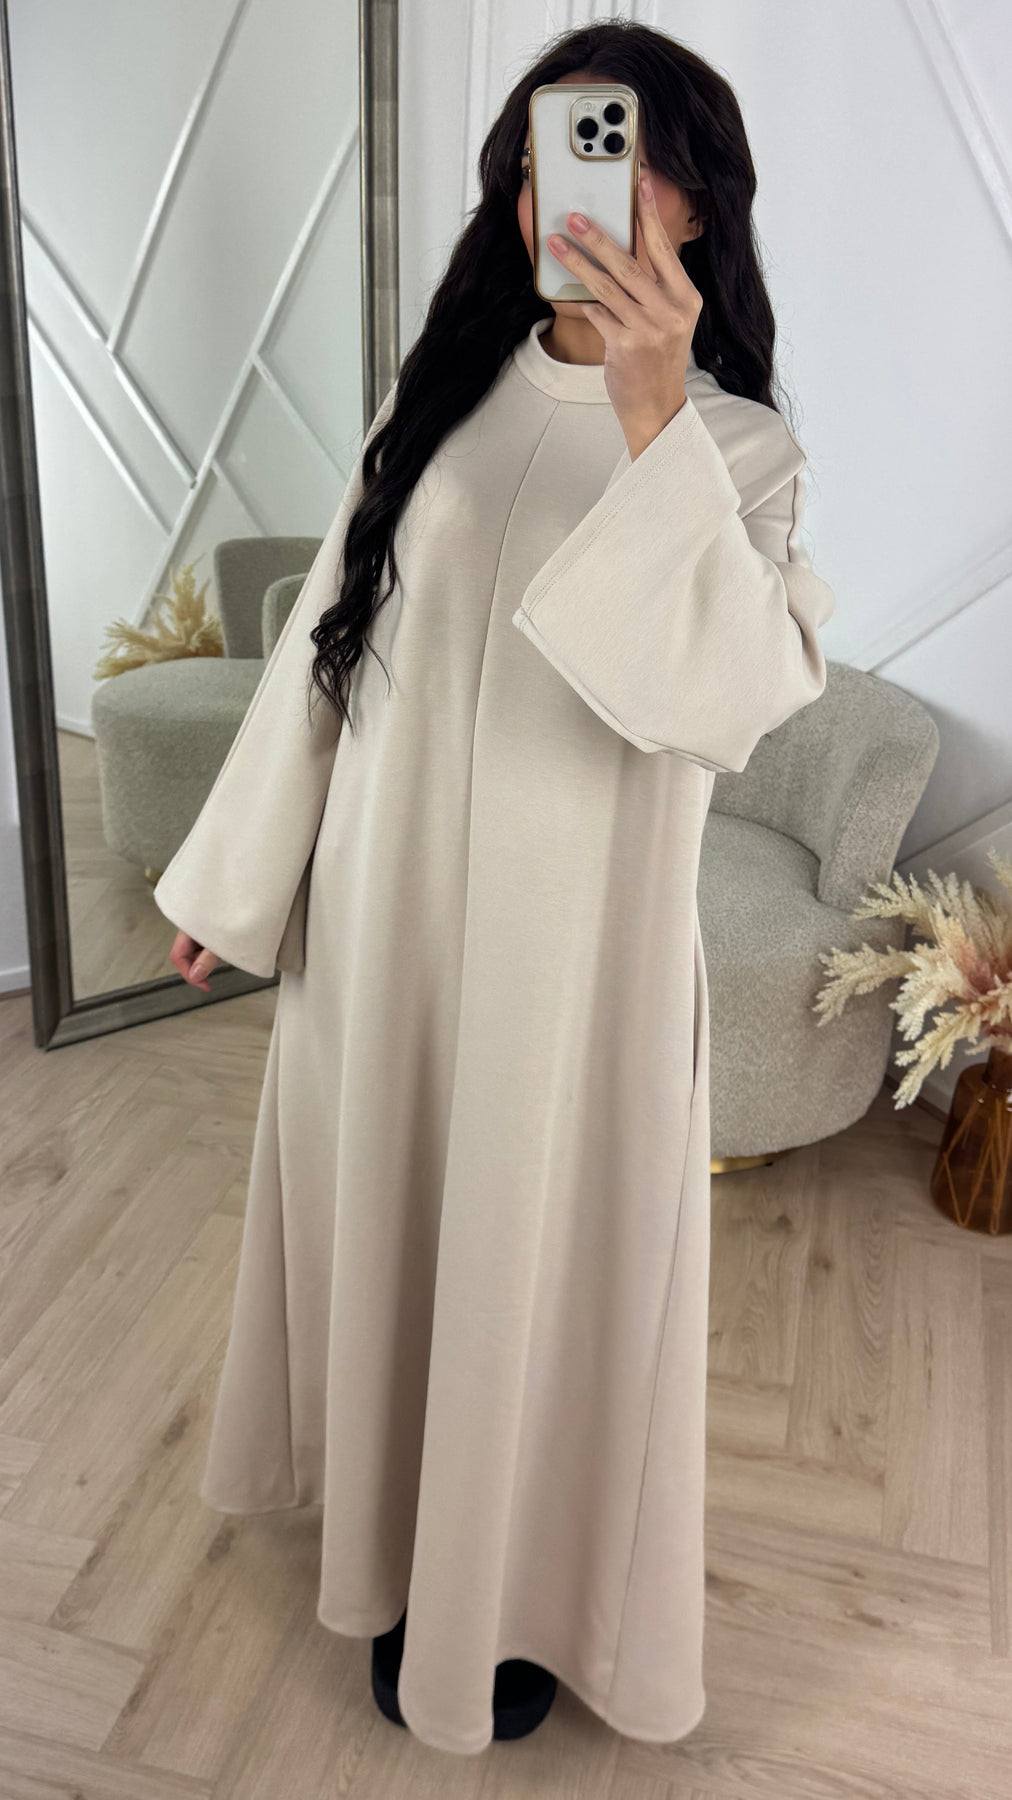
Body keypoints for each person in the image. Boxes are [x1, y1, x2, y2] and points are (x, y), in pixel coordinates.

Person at [154, 19, 836, 1757]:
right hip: (385, 928)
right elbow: (329, 643)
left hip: (575, 964)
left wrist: (654, 416)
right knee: (395, 1235)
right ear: (521, 185)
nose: (596, 191)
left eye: (640, 155)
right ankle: (397, 1554)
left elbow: (729, 699)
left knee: (540, 1273)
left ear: (701, 202)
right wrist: (239, 877)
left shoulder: (742, 454)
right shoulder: (439, 398)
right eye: (564, 151)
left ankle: (509, 1602)